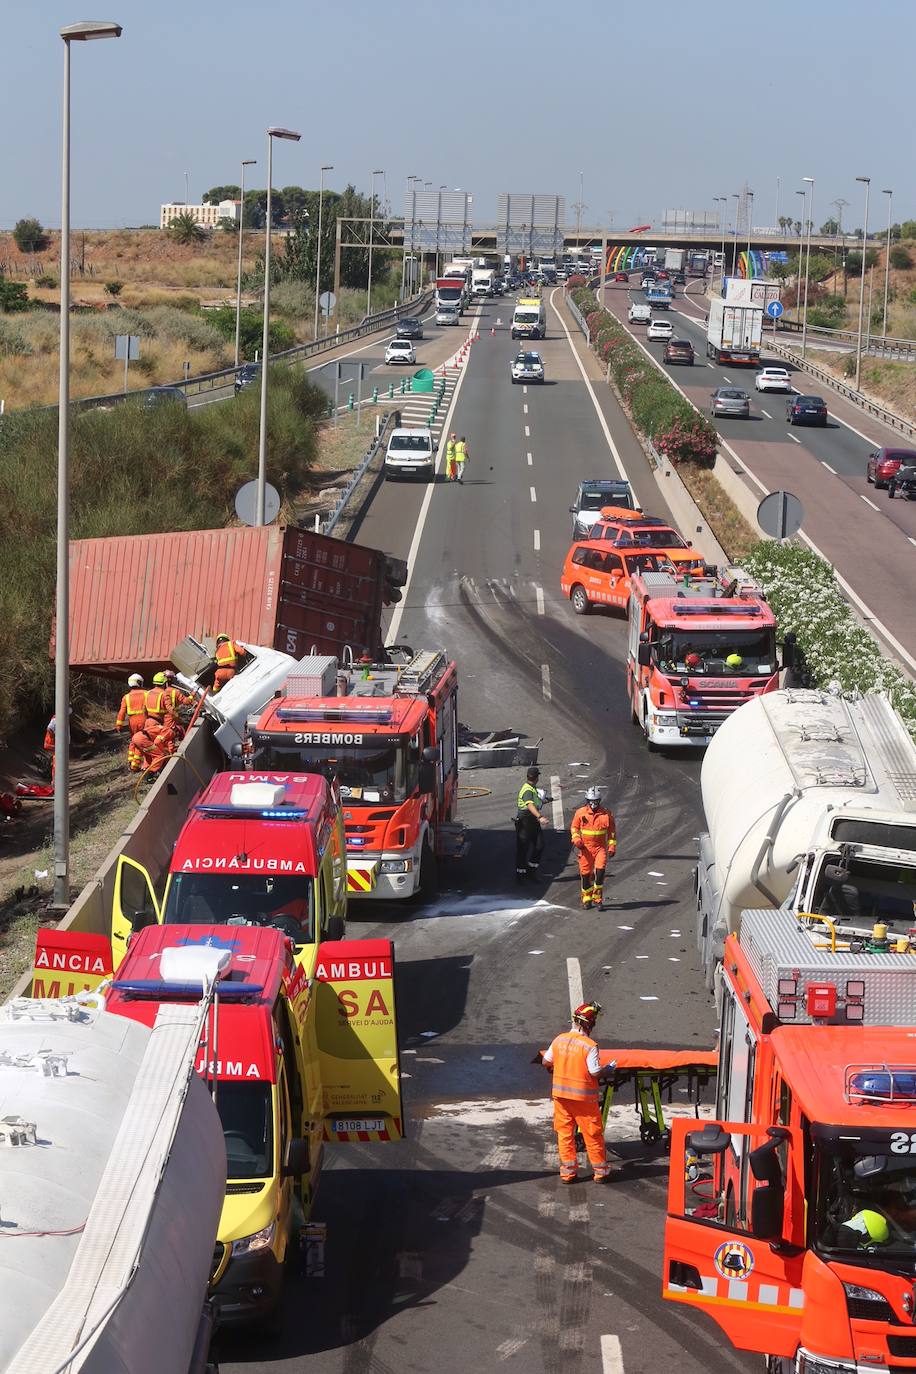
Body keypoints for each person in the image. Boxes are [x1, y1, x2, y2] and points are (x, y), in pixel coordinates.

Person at [541, 1001, 614, 1184]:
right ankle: (600, 1172)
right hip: (583, 1099)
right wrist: (608, 1070)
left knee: (565, 1134)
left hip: (561, 1097)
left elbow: (546, 1062)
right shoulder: (589, 1045)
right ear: (590, 1024)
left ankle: (568, 1172)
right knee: (592, 1134)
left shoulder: (559, 1039)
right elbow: (595, 1072)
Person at [570, 787, 617, 909]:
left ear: (599, 800)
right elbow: (574, 828)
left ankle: (598, 899)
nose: (593, 803)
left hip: (600, 848)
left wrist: (612, 846)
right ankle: (587, 898)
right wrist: (576, 839)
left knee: (600, 872)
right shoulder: (580, 813)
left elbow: (611, 831)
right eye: (591, 800)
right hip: (585, 849)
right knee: (585, 875)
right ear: (587, 800)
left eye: (596, 801)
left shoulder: (606, 814)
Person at [516, 765, 548, 883]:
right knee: (523, 849)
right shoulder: (528, 790)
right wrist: (540, 817)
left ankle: (530, 871)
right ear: (536, 778)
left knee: (539, 845)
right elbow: (529, 805)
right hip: (525, 822)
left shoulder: (531, 788)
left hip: (532, 821)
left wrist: (545, 800)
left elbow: (534, 802)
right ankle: (521, 876)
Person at [115, 673, 147, 773]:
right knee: (141, 742)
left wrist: (119, 724)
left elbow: (122, 712)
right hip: (144, 720)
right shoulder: (146, 694)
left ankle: (130, 760)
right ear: (140, 683)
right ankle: (135, 765)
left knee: (133, 740)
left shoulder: (126, 697)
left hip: (132, 722)